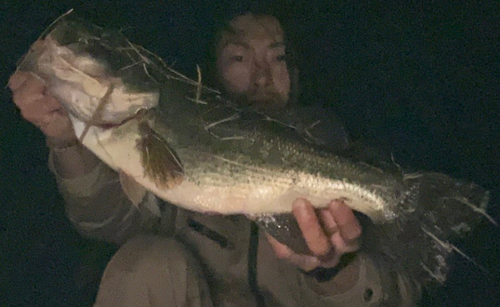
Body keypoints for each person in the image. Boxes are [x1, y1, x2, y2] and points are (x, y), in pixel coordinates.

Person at [9, 11, 420, 307]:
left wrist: (334, 269)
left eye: (277, 57)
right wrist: (66, 140)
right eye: (239, 58)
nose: (262, 75)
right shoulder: (181, 131)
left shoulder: (340, 149)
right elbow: (107, 223)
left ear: (295, 70)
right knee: (145, 263)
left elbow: (399, 293)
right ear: (214, 70)